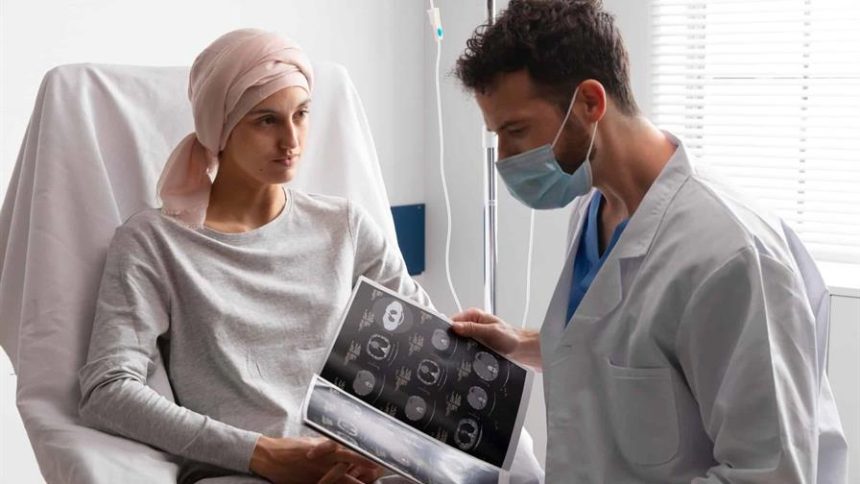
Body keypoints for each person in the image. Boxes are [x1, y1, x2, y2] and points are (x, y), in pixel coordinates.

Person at [449, 1, 848, 482]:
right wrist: (523, 343)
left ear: (590, 103)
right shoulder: (594, 208)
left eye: (515, 131)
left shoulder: (730, 255)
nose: (505, 159)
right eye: (497, 136)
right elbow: (624, 350)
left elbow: (770, 474)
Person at [78, 29, 429, 484]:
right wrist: (262, 454)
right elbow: (106, 390)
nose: (291, 140)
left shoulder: (344, 226)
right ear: (220, 129)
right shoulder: (154, 242)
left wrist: (386, 452)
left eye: (301, 114)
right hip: (242, 473)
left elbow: (426, 348)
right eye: (266, 120)